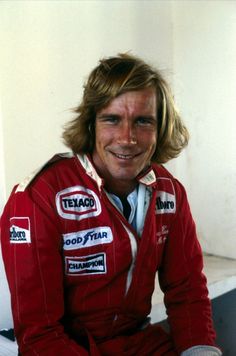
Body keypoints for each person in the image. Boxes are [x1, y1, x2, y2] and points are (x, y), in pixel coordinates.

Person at [0, 54, 221, 355]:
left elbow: (188, 293)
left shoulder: (169, 192)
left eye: (143, 121)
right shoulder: (36, 198)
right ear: (91, 123)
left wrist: (201, 351)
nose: (127, 138)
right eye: (112, 119)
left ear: (161, 128)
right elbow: (40, 335)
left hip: (139, 343)